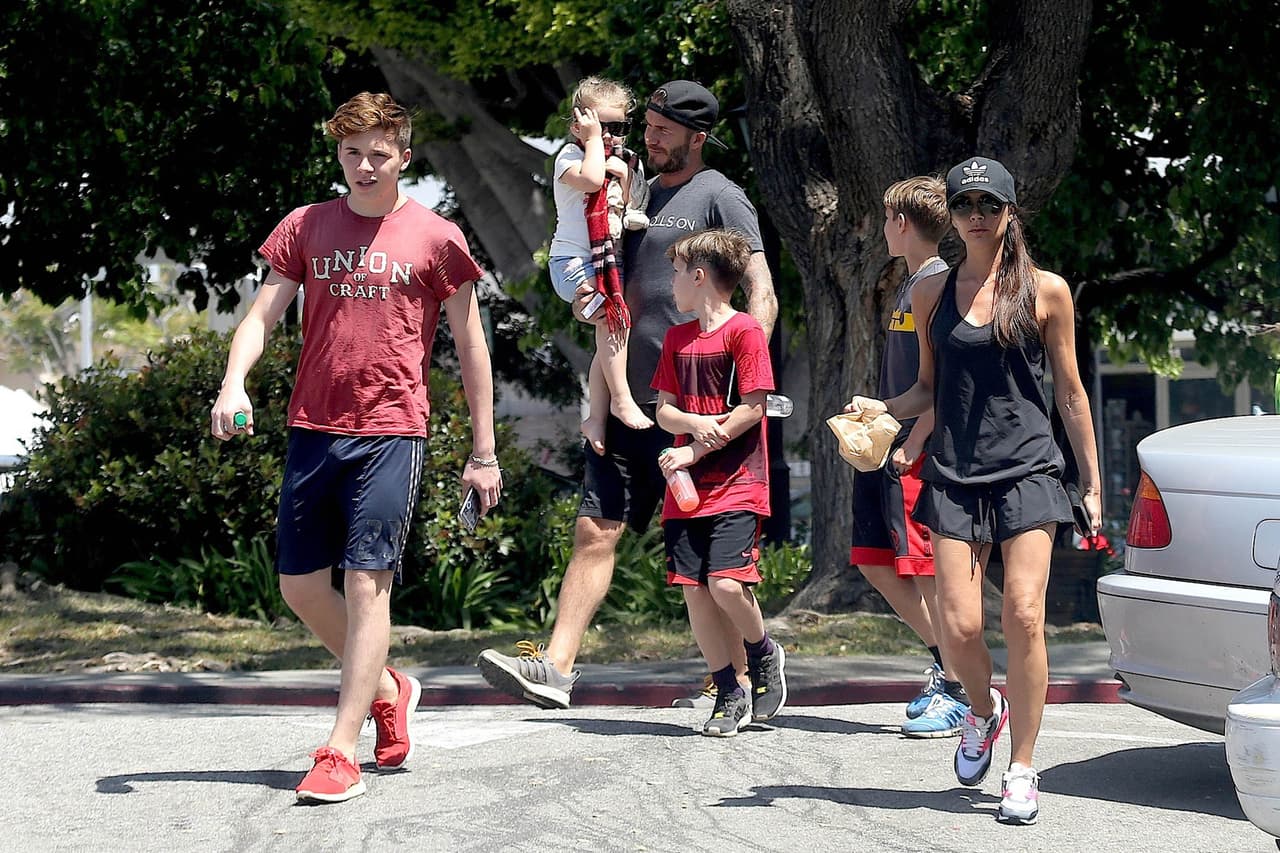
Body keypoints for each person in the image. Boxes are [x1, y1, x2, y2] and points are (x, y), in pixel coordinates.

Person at [210, 92, 502, 804]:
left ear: (405, 156)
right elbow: (262, 313)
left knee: (369, 581)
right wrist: (233, 382)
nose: (365, 167)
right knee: (300, 586)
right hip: (314, 425)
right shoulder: (307, 225)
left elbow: (471, 345)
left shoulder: (436, 237)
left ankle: (340, 748)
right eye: (351, 153)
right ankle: (390, 685)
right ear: (337, 153)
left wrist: (484, 451)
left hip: (392, 430)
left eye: (379, 154)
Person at [477, 80, 778, 710]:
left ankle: (740, 676)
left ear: (697, 138)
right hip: (629, 400)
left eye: (664, 130)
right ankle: (556, 669)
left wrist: (741, 388)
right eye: (648, 125)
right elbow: (610, 300)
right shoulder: (626, 188)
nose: (650, 137)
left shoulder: (722, 196)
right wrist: (598, 394)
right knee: (596, 529)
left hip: (698, 412)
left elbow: (763, 293)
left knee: (701, 561)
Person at [850, 156, 1102, 825]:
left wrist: (1093, 481)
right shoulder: (932, 293)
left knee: (1022, 613)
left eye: (990, 204)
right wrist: (878, 409)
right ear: (954, 215)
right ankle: (983, 713)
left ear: (1010, 212)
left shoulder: (1047, 291)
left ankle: (1022, 766)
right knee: (959, 627)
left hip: (1029, 470)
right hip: (955, 472)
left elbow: (1071, 395)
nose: (977, 215)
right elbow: (927, 388)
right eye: (965, 204)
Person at [847, 176, 969, 738]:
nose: (882, 227)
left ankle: (962, 688)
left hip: (920, 450)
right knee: (872, 559)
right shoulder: (912, 281)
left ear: (901, 223)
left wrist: (916, 439)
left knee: (926, 572)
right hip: (888, 443)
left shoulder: (940, 283)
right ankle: (947, 663)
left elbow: (946, 381)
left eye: (886, 217)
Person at [653, 228, 786, 735]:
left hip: (738, 479)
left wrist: (693, 448)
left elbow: (753, 409)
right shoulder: (675, 338)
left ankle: (763, 653)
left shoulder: (745, 331)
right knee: (695, 590)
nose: (672, 282)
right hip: (685, 485)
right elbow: (664, 411)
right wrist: (689, 427)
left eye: (676, 271)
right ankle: (729, 692)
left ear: (700, 277)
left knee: (726, 582)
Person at [548, 76, 652, 454]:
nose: (611, 136)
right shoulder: (571, 157)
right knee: (611, 323)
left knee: (614, 333)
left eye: (619, 128)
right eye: (601, 126)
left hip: (607, 263)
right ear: (578, 126)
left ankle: (596, 415)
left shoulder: (625, 162)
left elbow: (629, 210)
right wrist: (594, 143)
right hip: (572, 262)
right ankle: (621, 401)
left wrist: (624, 177)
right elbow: (592, 181)